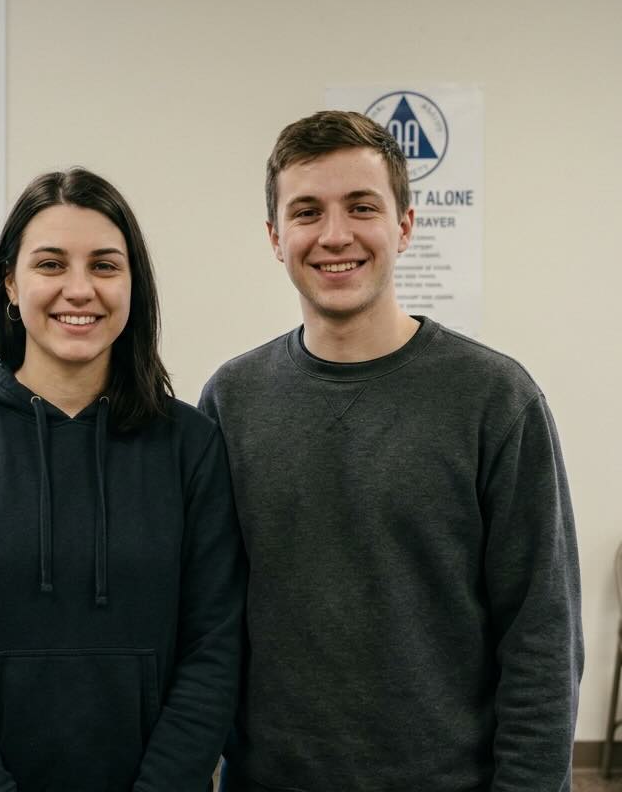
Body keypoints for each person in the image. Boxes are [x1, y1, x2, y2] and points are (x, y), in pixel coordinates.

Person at [199, 111, 583, 792]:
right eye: (307, 211)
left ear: (404, 226)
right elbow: (207, 620)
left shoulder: (495, 398)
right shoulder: (232, 400)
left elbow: (542, 638)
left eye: (362, 207)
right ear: (275, 237)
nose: (334, 235)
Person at [0, 167, 246, 792]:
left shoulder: (191, 446)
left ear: (132, 286)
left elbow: (214, 649)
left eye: (104, 266)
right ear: (10, 284)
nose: (79, 289)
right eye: (50, 264)